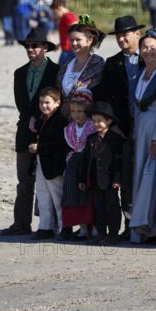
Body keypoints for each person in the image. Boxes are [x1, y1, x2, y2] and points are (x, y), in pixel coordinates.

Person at [1, 28, 60, 236]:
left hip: (49, 132)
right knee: (25, 181)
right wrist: (31, 118)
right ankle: (21, 223)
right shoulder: (19, 72)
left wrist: (38, 116)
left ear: (45, 47)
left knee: (51, 180)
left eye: (35, 45)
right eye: (27, 46)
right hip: (25, 131)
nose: (30, 49)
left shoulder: (56, 71)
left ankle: (51, 225)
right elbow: (21, 104)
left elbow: (57, 103)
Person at [102, 15, 146, 240]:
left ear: (137, 34)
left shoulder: (152, 57)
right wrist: (113, 124)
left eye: (125, 35)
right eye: (118, 36)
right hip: (123, 128)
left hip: (148, 127)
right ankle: (129, 225)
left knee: (147, 176)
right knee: (125, 179)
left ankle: (147, 225)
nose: (121, 39)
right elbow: (105, 96)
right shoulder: (112, 63)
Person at [129, 28, 156, 244]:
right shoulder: (140, 76)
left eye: (152, 48)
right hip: (141, 129)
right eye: (144, 47)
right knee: (141, 175)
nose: (148, 51)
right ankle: (141, 227)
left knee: (154, 177)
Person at [28, 87, 71, 240]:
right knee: (43, 196)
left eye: (47, 102)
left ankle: (65, 227)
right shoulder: (43, 119)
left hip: (54, 165)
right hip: (41, 162)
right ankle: (45, 227)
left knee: (58, 197)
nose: (43, 105)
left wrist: (39, 147)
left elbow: (60, 145)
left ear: (58, 103)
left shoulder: (60, 121)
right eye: (41, 102)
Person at [79, 102, 124, 246]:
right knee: (99, 207)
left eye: (99, 121)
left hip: (110, 179)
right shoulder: (91, 139)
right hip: (95, 180)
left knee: (113, 206)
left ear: (109, 121)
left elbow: (119, 161)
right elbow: (86, 161)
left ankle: (113, 234)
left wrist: (117, 179)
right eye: (94, 121)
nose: (96, 124)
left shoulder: (116, 139)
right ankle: (101, 233)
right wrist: (83, 179)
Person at [61, 88, 96, 241]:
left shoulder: (92, 126)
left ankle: (93, 229)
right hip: (74, 163)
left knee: (88, 197)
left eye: (80, 111)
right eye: (73, 111)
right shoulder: (69, 128)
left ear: (87, 110)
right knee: (75, 197)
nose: (76, 114)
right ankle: (82, 229)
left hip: (87, 163)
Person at [56, 15, 106, 119]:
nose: (74, 43)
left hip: (87, 121)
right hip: (62, 120)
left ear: (90, 40)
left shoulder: (97, 64)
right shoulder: (67, 64)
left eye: (78, 40)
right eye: (71, 40)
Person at [51, 0, 79, 66]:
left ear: (59, 8)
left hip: (69, 49)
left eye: (55, 13)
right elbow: (67, 34)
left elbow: (77, 29)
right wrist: (59, 44)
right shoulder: (65, 17)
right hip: (67, 49)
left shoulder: (67, 16)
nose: (55, 16)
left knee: (60, 71)